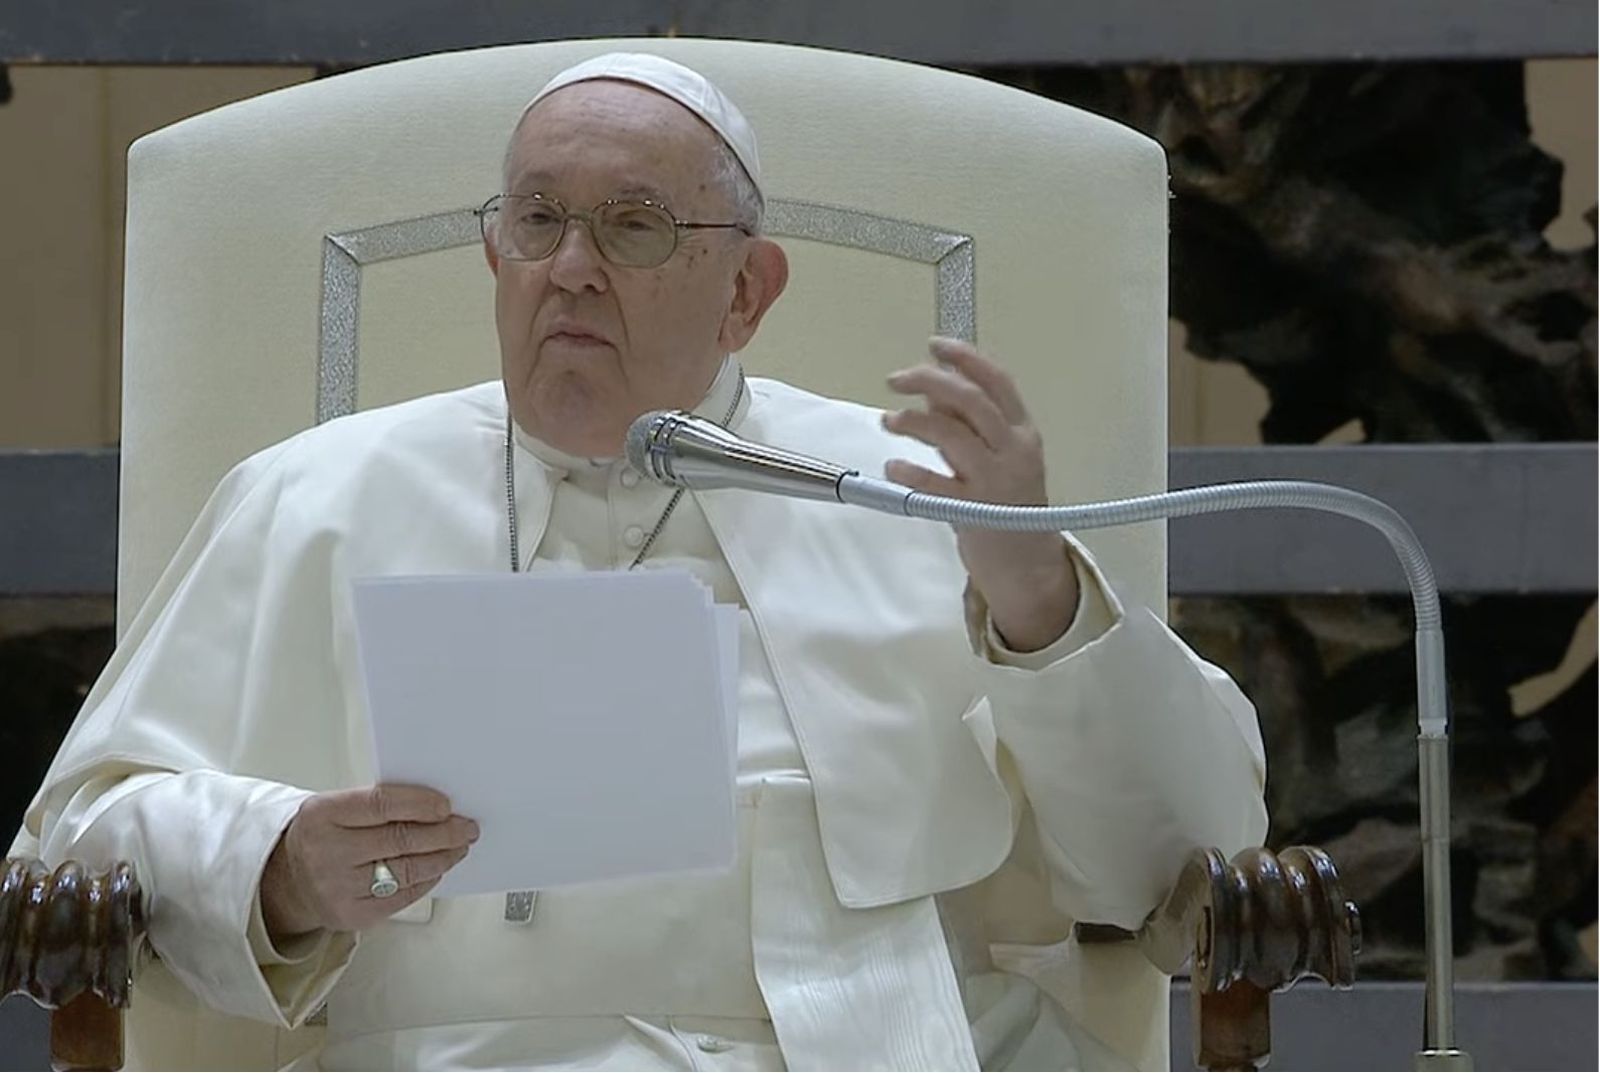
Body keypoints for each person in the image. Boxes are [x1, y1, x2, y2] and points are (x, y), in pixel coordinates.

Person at [15, 53, 1266, 1071]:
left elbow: (1181, 857)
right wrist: (279, 860)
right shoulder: (315, 495)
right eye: (538, 220)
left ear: (747, 291)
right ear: (494, 256)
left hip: (889, 1043)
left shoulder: (913, 489)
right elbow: (76, 840)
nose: (572, 268)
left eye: (634, 226)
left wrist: (1038, 596)